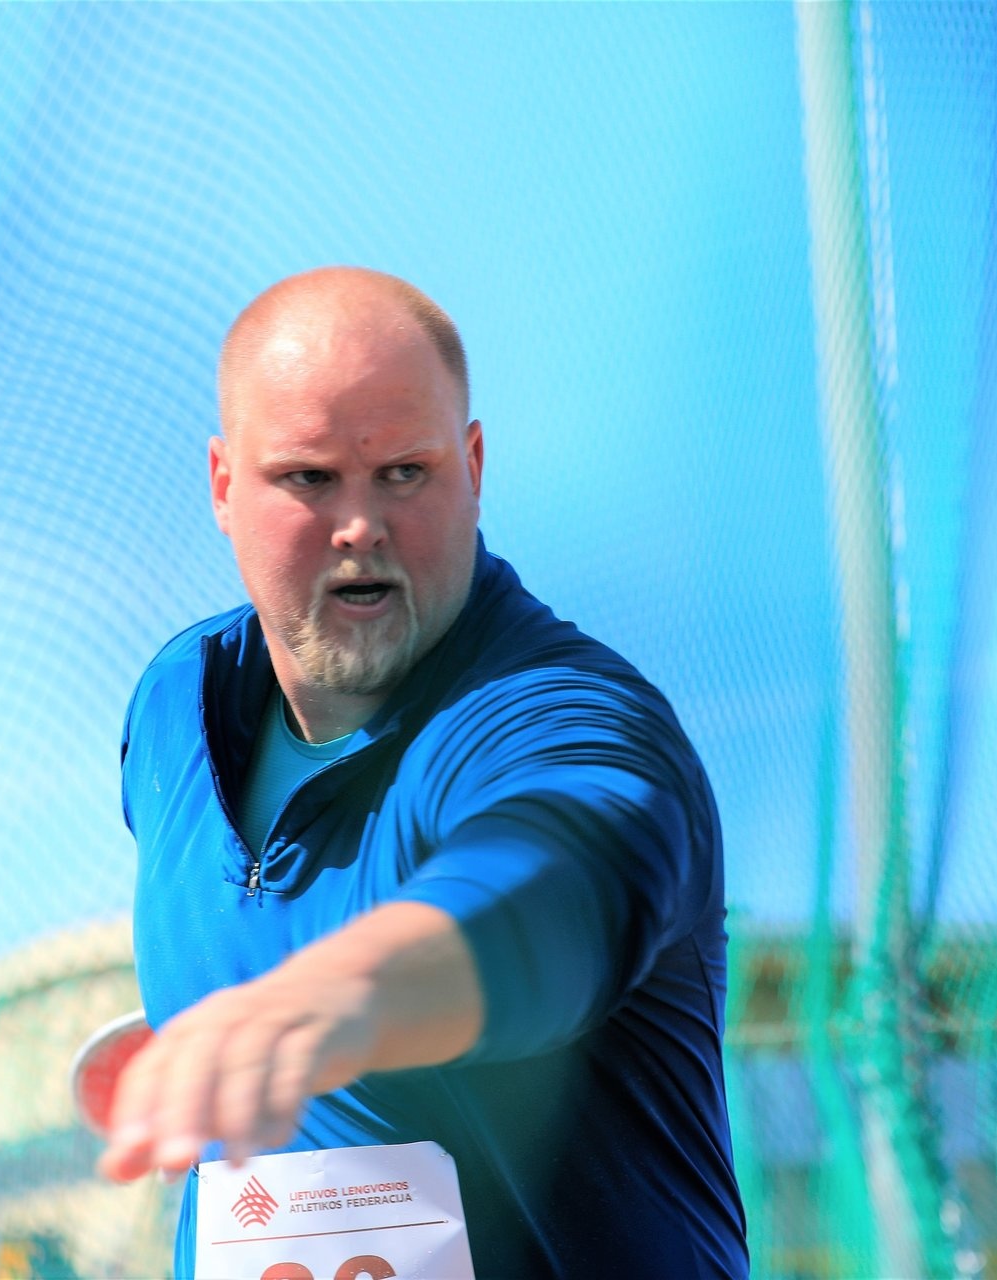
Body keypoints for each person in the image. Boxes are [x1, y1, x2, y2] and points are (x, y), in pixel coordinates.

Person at [101, 266, 747, 1277]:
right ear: (224, 485)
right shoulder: (174, 708)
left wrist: (329, 998)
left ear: (475, 464)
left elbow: (541, 890)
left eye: (404, 472)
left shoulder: (570, 721)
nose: (360, 524)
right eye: (309, 478)